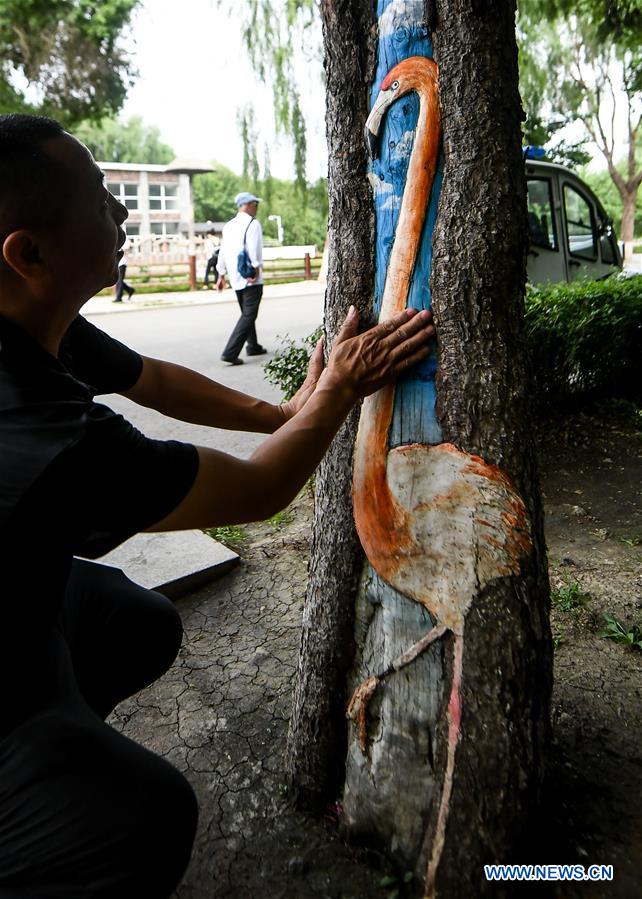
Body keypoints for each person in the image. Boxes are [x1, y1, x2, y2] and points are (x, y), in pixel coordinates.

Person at [0, 113, 434, 898]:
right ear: (29, 253)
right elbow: (260, 490)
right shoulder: (40, 432)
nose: (122, 213)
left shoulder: (29, 320)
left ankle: (56, 738)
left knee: (139, 621)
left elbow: (156, 380)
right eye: (101, 200)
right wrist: (337, 389)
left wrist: (285, 412)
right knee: (151, 815)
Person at [216, 191, 266, 364]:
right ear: (248, 205)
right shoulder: (253, 223)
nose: (257, 208)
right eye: (255, 204)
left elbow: (222, 252)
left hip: (235, 277)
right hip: (250, 277)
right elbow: (254, 248)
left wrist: (221, 274)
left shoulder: (229, 226)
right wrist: (256, 269)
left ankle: (253, 346)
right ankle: (230, 353)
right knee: (248, 315)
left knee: (247, 314)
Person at [113, 237, 135, 302]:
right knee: (118, 281)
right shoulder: (116, 241)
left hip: (122, 264)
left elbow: (126, 248)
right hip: (117, 264)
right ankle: (130, 290)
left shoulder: (123, 241)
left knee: (119, 281)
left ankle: (119, 298)